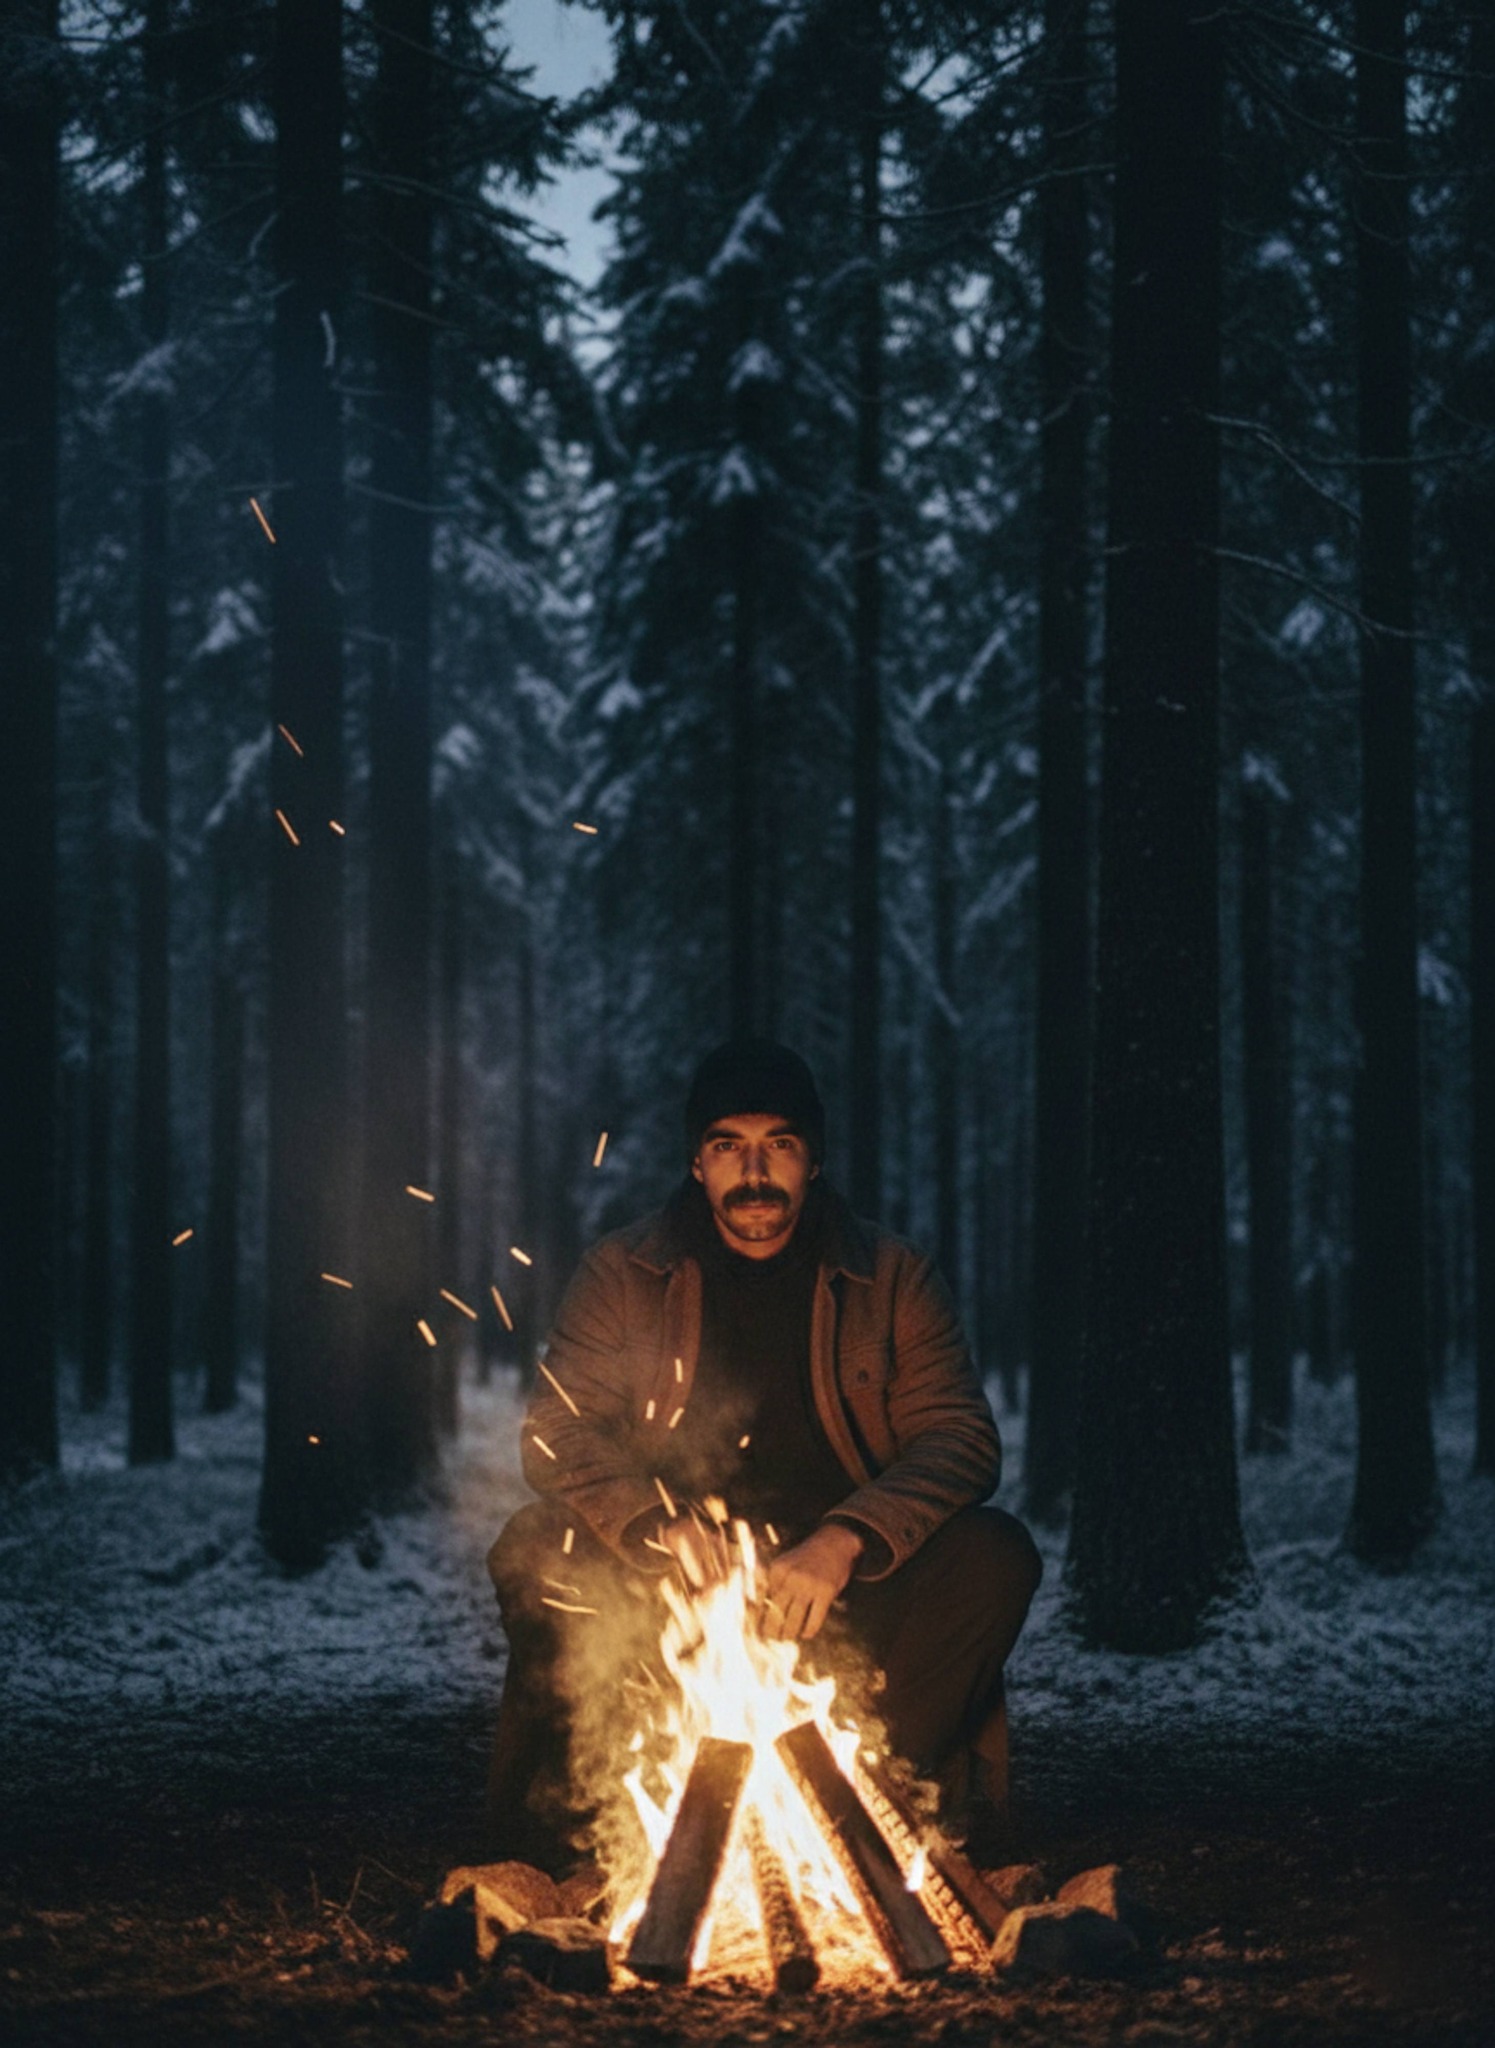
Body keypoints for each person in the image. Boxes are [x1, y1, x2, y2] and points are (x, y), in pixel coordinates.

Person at [486, 1038, 1041, 1872]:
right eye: (726, 1147)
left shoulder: (888, 1275)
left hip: (847, 1599)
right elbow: (555, 1433)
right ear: (696, 1163)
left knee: (994, 1554)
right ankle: (599, 1822)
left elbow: (958, 1437)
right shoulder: (624, 1272)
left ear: (812, 1160)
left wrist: (845, 1540)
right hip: (668, 1602)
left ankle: (870, 1805)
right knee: (537, 1546)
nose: (754, 1172)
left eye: (778, 1144)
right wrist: (660, 1527)